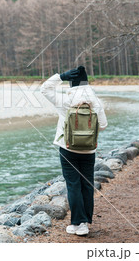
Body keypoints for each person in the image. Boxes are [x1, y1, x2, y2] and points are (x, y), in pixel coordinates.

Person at [40, 66, 107, 236]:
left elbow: (44, 88)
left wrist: (60, 76)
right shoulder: (96, 102)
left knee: (73, 185)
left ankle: (78, 223)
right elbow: (103, 125)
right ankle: (84, 223)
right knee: (87, 185)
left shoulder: (65, 100)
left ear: (72, 82)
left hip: (67, 148)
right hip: (89, 151)